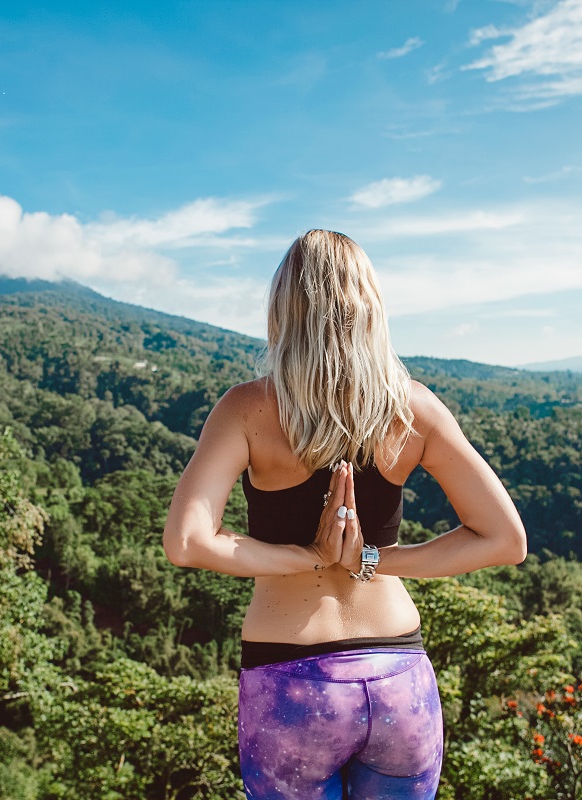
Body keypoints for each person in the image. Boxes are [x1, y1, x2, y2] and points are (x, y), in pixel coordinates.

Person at [162, 230, 527, 799]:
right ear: (371, 307)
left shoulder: (249, 408)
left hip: (292, 681)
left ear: (285, 306)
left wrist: (299, 557)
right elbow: (505, 539)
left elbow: (187, 541)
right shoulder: (414, 408)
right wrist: (374, 560)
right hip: (400, 677)